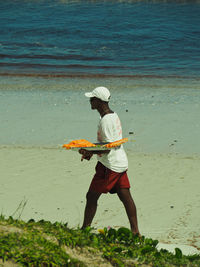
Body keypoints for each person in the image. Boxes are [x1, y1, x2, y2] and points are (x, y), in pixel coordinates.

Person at [79, 86, 140, 235]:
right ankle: (135, 232)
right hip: (120, 162)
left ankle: (84, 230)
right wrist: (91, 151)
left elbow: (107, 148)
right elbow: (111, 143)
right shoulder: (113, 115)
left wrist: (90, 152)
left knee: (91, 196)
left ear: (99, 101)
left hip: (110, 165)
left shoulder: (106, 120)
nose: (90, 101)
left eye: (92, 99)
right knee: (125, 196)